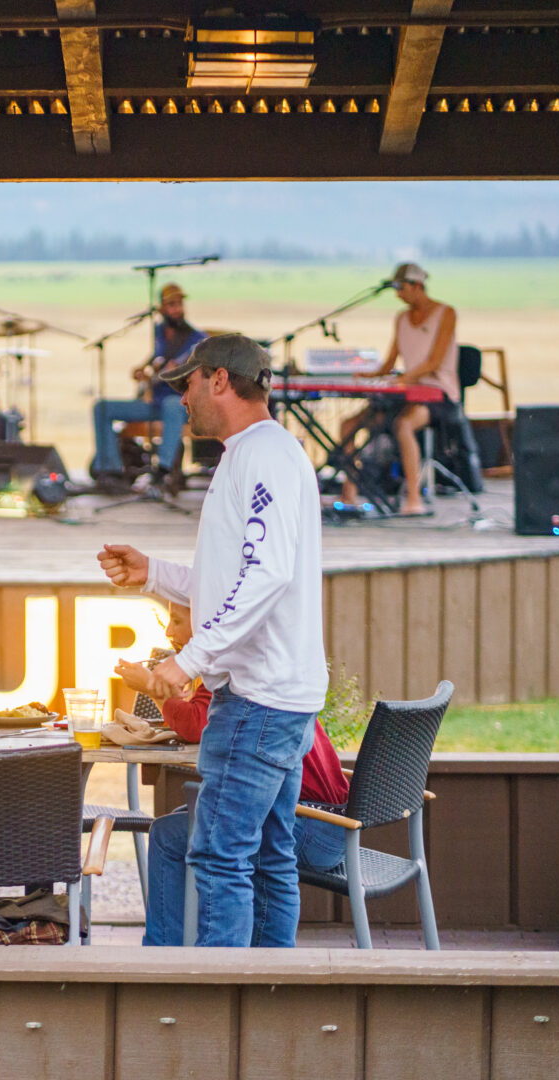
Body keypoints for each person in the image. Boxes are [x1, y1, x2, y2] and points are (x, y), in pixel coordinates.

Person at [97, 333, 327, 948]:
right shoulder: (258, 454)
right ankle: (266, 1003)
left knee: (222, 858)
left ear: (219, 380)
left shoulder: (262, 457)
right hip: (279, 695)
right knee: (270, 860)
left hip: (256, 699)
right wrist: (154, 574)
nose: (180, 401)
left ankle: (223, 1008)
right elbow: (236, 577)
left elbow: (269, 573)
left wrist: (189, 659)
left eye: (186, 385)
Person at [115, 602, 348, 947]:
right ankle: (248, 969)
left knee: (173, 837)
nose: (168, 632)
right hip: (326, 823)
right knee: (192, 828)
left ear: (206, 625)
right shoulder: (255, 662)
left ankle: (169, 960)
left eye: (177, 621)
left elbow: (198, 723)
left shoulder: (231, 667)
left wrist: (153, 688)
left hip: (315, 824)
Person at [336, 262, 459, 516]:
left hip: (438, 394)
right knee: (349, 426)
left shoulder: (445, 313)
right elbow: (389, 362)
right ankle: (349, 493)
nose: (398, 295)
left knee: (403, 424)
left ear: (417, 286)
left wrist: (404, 378)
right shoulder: (401, 319)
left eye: (402, 288)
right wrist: (368, 376)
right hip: (406, 391)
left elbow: (434, 361)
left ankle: (413, 499)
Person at [89, 282, 208, 491]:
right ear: (161, 309)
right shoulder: (160, 333)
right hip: (154, 403)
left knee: (172, 404)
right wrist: (143, 371)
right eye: (172, 305)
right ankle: (112, 472)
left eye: (180, 304)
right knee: (102, 407)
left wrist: (178, 372)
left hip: (180, 405)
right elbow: (156, 362)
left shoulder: (197, 339)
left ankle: (162, 472)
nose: (177, 309)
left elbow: (202, 376)